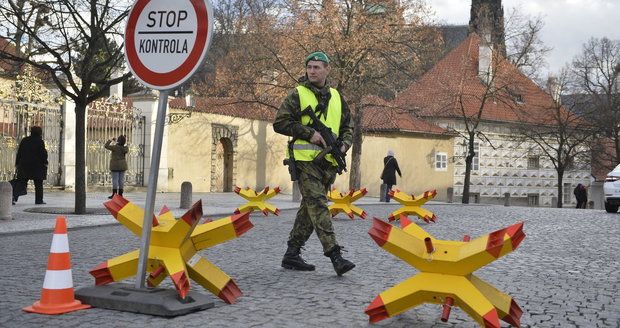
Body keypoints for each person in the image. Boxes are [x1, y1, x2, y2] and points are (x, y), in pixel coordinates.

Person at [273, 51, 355, 276]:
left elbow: (348, 127)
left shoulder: (337, 97)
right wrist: (309, 134)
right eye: (309, 67)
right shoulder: (297, 94)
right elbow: (279, 123)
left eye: (317, 67)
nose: (312, 71)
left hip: (328, 163)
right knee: (318, 205)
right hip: (305, 161)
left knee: (309, 209)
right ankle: (335, 255)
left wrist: (344, 145)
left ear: (327, 69)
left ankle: (292, 254)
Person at [14, 126, 48, 204]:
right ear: (40, 133)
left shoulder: (25, 140)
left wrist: (17, 163)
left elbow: (19, 152)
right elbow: (43, 154)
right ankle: (39, 200)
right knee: (38, 184)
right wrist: (45, 162)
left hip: (24, 165)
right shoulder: (40, 141)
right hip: (37, 166)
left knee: (21, 183)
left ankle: (13, 197)